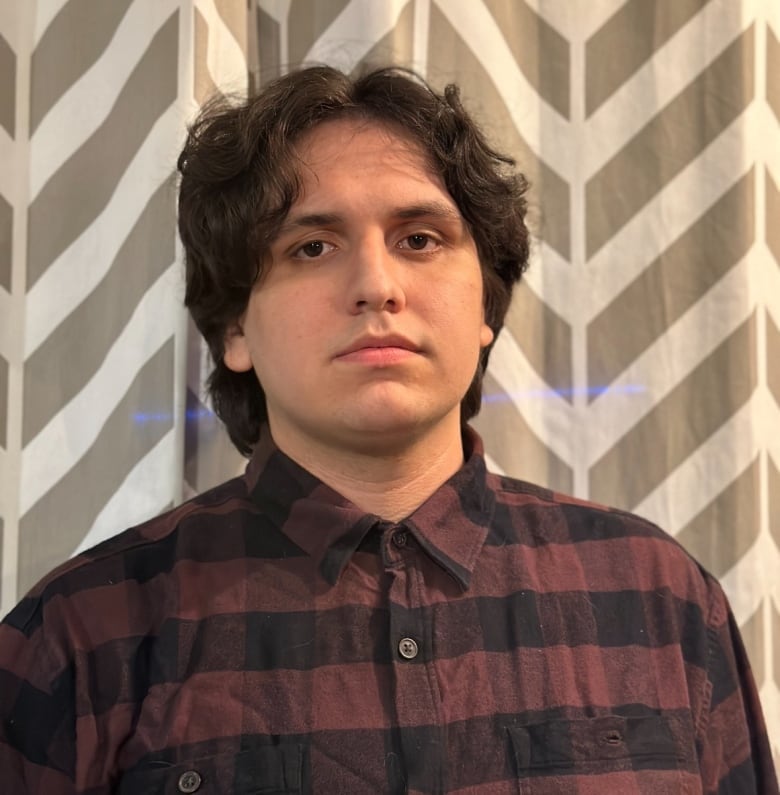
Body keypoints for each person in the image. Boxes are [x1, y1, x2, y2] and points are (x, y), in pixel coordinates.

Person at [0, 65, 776, 795]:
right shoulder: (76, 639)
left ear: (485, 310)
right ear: (234, 327)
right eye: (311, 246)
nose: (375, 285)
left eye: (419, 239)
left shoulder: (659, 600)